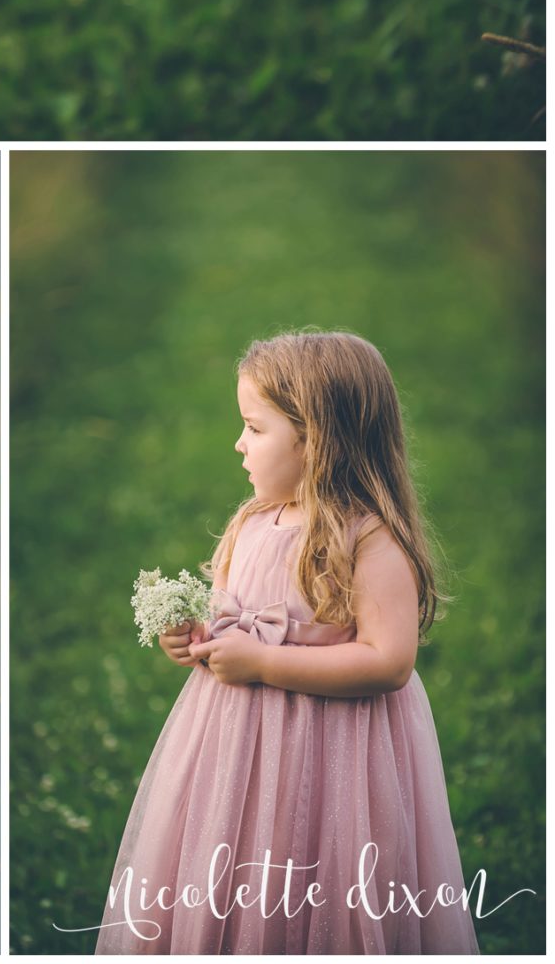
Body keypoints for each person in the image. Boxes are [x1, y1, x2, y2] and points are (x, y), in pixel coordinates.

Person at [95, 330, 478, 954]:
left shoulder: (368, 538)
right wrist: (200, 636)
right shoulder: (252, 520)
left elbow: (389, 661)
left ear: (316, 438)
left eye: (254, 427)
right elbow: (236, 615)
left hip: (337, 755)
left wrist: (265, 662)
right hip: (238, 750)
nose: (238, 444)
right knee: (241, 858)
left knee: (320, 870)